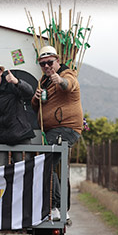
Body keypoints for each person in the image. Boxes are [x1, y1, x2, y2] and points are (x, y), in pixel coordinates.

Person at [31, 46, 83, 219]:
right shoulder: (43, 81)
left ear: (57, 61)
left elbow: (69, 85)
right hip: (53, 131)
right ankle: (58, 208)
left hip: (65, 129)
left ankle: (57, 207)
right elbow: (34, 107)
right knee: (49, 165)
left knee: (46, 163)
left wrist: (60, 80)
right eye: (42, 64)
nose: (46, 66)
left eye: (49, 62)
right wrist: (35, 98)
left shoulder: (67, 74)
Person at [0, 57, 35, 156]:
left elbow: (30, 92)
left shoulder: (11, 84)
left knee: (22, 169)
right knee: (0, 169)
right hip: (1, 139)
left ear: (1, 72)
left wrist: (17, 82)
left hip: (21, 136)